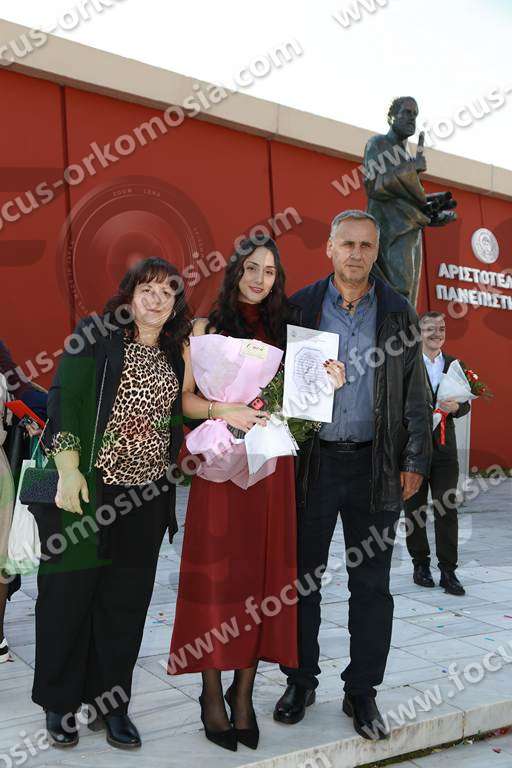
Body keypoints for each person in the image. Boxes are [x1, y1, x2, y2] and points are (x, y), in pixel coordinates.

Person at [168, 234, 344, 752]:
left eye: (269, 271)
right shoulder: (204, 329)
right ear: (235, 272)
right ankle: (210, 694)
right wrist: (226, 410)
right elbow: (185, 401)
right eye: (251, 267)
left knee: (260, 583)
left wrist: (327, 382)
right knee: (216, 581)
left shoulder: (291, 334)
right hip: (219, 471)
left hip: (269, 470)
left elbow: (302, 406)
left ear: (277, 279)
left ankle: (242, 695)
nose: (259, 278)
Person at [273, 210, 431, 740]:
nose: (356, 253)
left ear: (376, 251)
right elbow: (274, 383)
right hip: (312, 465)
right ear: (329, 247)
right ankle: (300, 681)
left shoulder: (398, 312)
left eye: (366, 245)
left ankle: (362, 691)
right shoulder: (300, 307)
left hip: (375, 467)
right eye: (347, 244)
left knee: (371, 587)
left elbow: (415, 393)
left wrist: (414, 460)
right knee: (302, 582)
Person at [31, 257, 190, 749]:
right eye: (147, 289)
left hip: (146, 498)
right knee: (67, 596)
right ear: (129, 294)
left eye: (167, 293)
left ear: (175, 305)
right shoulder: (96, 335)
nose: (156, 299)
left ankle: (110, 705)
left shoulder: (176, 353)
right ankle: (60, 703)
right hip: (86, 490)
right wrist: (69, 469)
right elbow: (65, 399)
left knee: (125, 604)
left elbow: (184, 413)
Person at [404, 311, 470, 596]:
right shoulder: (408, 363)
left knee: (447, 508)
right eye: (430, 328)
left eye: (441, 328)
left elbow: (465, 403)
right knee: (414, 509)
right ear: (419, 333)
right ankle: (420, 565)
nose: (436, 334)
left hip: (445, 450)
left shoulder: (454, 364)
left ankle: (448, 570)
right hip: (413, 449)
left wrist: (457, 408)